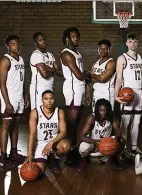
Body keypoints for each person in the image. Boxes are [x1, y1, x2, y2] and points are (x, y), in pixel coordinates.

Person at [0, 35, 28, 169]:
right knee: (6, 126)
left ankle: (14, 153)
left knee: (15, 126)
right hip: (9, 98)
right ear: (8, 46)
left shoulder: (20, 59)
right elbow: (1, 83)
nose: (16, 46)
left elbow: (22, 79)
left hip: (19, 98)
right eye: (13, 44)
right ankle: (2, 158)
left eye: (18, 43)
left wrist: (25, 95)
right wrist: (7, 103)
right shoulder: (5, 60)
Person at [60, 27, 90, 165]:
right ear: (67, 39)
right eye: (73, 37)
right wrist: (87, 74)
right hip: (72, 89)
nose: (76, 38)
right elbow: (79, 75)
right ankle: (69, 154)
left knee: (77, 121)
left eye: (77, 36)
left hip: (79, 88)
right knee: (72, 123)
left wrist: (86, 78)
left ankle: (74, 148)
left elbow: (81, 74)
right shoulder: (67, 54)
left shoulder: (76, 53)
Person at [114, 33, 142, 156]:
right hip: (127, 92)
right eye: (130, 41)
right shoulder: (122, 58)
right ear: (127, 43)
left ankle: (134, 147)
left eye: (135, 41)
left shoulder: (141, 58)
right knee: (125, 122)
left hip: (138, 92)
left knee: (137, 122)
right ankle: (122, 149)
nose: (133, 44)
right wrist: (116, 95)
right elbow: (118, 78)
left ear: (137, 43)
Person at [25, 90, 70, 173]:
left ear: (55, 99)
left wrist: (51, 143)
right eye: (46, 99)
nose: (49, 101)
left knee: (65, 146)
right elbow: (32, 134)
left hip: (54, 142)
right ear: (42, 100)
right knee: (39, 171)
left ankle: (55, 159)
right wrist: (29, 154)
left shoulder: (59, 112)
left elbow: (64, 132)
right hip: (40, 143)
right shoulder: (35, 112)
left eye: (51, 98)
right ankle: (47, 160)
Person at [77, 99, 126, 171]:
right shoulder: (92, 118)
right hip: (94, 144)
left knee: (122, 140)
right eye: (101, 110)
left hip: (107, 145)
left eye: (105, 110)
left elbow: (118, 131)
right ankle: (85, 160)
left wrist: (114, 139)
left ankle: (112, 159)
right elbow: (81, 136)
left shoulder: (111, 116)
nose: (104, 112)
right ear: (97, 110)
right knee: (83, 147)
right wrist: (96, 141)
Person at [29, 32, 57, 110]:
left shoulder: (50, 55)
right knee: (38, 112)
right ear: (35, 43)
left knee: (47, 111)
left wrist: (50, 69)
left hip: (49, 87)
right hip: (38, 88)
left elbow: (59, 72)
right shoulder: (36, 55)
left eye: (44, 39)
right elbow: (44, 75)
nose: (43, 41)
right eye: (40, 40)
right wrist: (53, 70)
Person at [87, 39, 116, 110]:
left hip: (106, 93)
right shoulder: (96, 63)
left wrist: (91, 74)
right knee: (95, 115)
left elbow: (103, 79)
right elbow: (90, 79)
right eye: (101, 49)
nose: (102, 51)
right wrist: (97, 76)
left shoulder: (111, 63)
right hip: (96, 92)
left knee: (107, 117)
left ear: (108, 49)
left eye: (105, 49)